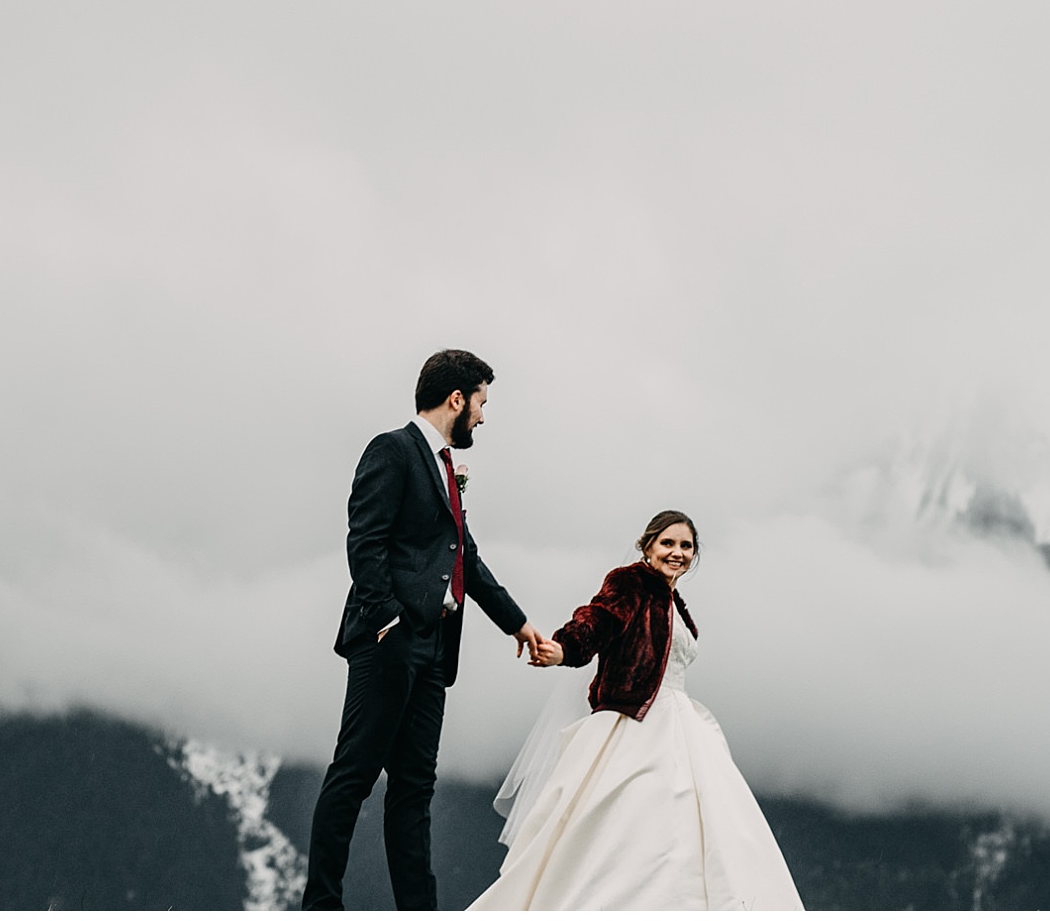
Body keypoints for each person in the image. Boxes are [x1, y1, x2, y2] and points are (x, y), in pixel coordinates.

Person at [302, 349, 554, 911]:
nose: (484, 418)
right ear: (457, 398)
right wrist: (388, 620)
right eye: (482, 403)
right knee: (355, 774)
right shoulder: (391, 450)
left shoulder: (445, 467)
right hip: (389, 641)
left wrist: (519, 624)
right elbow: (364, 543)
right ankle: (319, 906)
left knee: (414, 791)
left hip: (436, 649)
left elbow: (466, 557)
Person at [469, 510, 804, 911]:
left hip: (682, 726)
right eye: (667, 543)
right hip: (633, 719)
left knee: (701, 827)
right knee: (630, 825)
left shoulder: (673, 600)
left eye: (686, 546)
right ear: (647, 547)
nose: (677, 552)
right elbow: (597, 620)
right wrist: (563, 649)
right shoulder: (630, 582)